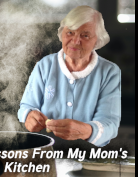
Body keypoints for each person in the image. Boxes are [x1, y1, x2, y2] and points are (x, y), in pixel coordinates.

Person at [17, 6, 121, 147]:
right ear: (62, 33)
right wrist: (28, 116)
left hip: (87, 154)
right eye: (70, 33)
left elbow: (110, 124)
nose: (75, 41)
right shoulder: (44, 65)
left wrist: (85, 131)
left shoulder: (109, 72)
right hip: (44, 152)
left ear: (97, 40)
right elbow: (26, 107)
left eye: (85, 35)